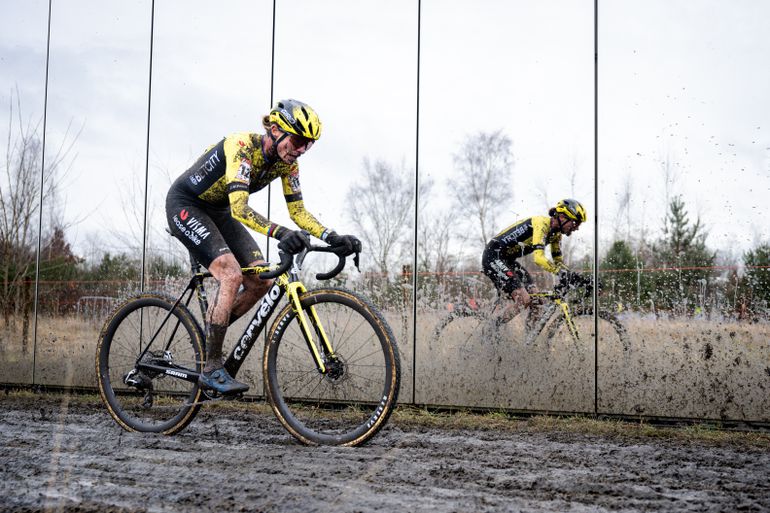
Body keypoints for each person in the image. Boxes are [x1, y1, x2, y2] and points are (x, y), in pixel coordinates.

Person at [166, 99, 361, 395]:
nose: (300, 150)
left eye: (307, 145)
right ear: (274, 129)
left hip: (218, 211)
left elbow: (299, 213)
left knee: (261, 282)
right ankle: (212, 368)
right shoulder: (241, 147)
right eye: (297, 141)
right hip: (187, 205)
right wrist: (282, 233)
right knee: (231, 275)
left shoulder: (288, 165)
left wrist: (332, 236)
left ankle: (210, 334)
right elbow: (241, 209)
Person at [481, 199, 587, 324]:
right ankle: (490, 330)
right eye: (575, 223)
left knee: (537, 301)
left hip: (508, 261)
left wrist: (580, 278)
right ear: (563, 217)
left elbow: (559, 263)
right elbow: (539, 258)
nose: (576, 228)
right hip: (493, 257)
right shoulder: (541, 224)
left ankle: (529, 342)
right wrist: (561, 272)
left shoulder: (556, 235)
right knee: (523, 300)